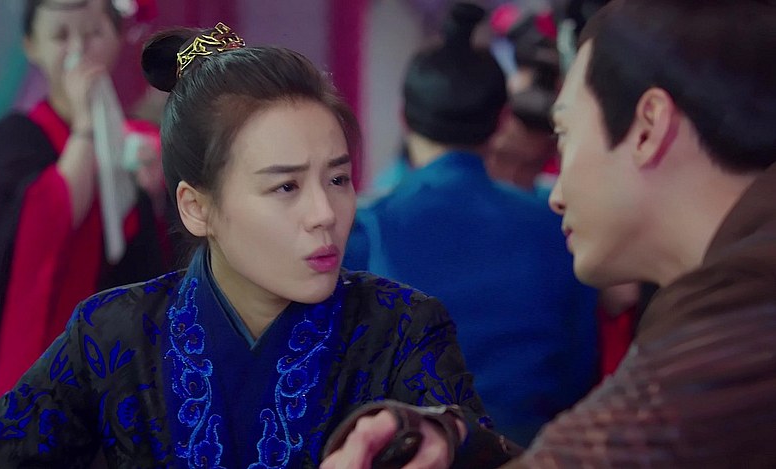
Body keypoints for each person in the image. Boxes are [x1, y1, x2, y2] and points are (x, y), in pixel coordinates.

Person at [0, 22, 519, 468]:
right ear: (197, 207)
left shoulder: (403, 328)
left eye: (339, 178)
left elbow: (490, 451)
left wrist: (445, 433)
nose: (325, 214)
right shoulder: (112, 335)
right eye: (286, 186)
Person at [323, 0, 776, 466]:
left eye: (564, 134)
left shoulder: (738, 319)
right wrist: (456, 437)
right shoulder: (736, 290)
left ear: (647, 128)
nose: (555, 195)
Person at [343, 2, 598, 447]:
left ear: (404, 117)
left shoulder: (365, 229)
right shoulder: (555, 227)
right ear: (501, 121)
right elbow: (580, 372)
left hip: (404, 450)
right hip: (533, 450)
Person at [0, 0, 170, 448]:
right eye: (60, 36)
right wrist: (86, 127)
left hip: (112, 356)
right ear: (31, 46)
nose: (78, 49)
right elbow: (47, 222)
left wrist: (157, 193)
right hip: (38, 354)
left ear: (117, 39)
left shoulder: (140, 141)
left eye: (93, 33)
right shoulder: (13, 139)